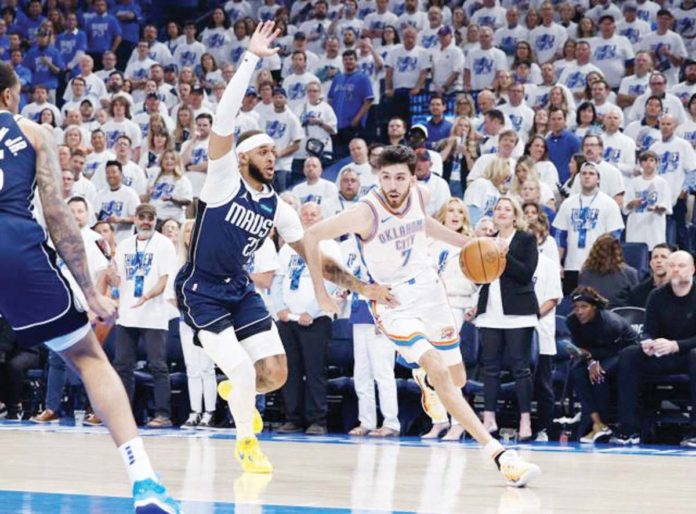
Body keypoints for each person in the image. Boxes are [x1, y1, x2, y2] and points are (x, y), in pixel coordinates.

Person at [173, 22, 386, 475]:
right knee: (246, 372)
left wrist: (358, 286)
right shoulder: (222, 179)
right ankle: (246, 443)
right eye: (264, 151)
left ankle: (237, 392)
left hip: (241, 290)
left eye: (275, 152)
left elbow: (313, 254)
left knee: (275, 373)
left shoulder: (277, 207)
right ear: (244, 156)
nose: (273, 157)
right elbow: (226, 116)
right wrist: (251, 58)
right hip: (202, 290)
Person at [303, 145, 541, 487]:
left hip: (430, 290)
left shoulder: (421, 194)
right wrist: (350, 289)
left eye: (400, 177)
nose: (393, 185)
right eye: (386, 177)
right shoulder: (365, 212)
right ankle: (500, 455)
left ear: (413, 177)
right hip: (393, 301)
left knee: (455, 379)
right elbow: (311, 236)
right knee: (441, 370)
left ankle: (428, 383)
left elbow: (423, 224)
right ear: (378, 178)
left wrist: (468, 243)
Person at [0, 62, 180, 512]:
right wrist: (92, 291)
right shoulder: (32, 132)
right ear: (8, 97)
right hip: (13, 248)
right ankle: (145, 482)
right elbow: (58, 213)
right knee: (87, 356)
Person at [612, 251, 696, 448]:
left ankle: (694, 430)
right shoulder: (656, 295)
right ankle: (628, 429)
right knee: (629, 354)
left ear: (692, 269)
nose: (675, 269)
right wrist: (648, 342)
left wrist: (677, 345)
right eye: (672, 265)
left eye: (681, 265)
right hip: (663, 354)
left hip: (688, 354)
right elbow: (649, 330)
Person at [271, 203, 341, 435]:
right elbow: (278, 280)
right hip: (287, 319)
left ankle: (317, 420)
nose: (309, 218)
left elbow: (332, 282)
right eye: (306, 215)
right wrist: (279, 307)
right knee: (290, 371)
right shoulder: (289, 248)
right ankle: (293, 418)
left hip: (316, 320)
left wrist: (312, 311)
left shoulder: (330, 246)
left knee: (314, 371)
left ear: (323, 218)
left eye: (314, 215)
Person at [474, 196, 539, 442]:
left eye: (507, 209)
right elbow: (478, 277)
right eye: (498, 208)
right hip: (490, 312)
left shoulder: (526, 239)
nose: (501, 212)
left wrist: (504, 255)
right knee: (489, 367)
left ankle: (525, 420)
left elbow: (525, 274)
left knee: (520, 367)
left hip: (518, 314)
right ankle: (488, 418)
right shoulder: (485, 241)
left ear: (515, 215)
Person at [114, 204, 176, 428]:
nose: (146, 221)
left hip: (155, 314)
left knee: (158, 365)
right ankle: (122, 414)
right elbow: (117, 278)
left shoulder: (164, 244)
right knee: (122, 366)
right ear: (135, 219)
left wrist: (147, 296)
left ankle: (163, 414)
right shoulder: (123, 246)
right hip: (127, 314)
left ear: (155, 220)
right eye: (142, 217)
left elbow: (164, 279)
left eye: (150, 218)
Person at [567, 286, 639, 444]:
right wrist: (590, 360)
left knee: (599, 374)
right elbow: (582, 347)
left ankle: (605, 422)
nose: (579, 311)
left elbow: (612, 350)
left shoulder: (609, 323)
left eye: (584, 307)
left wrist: (592, 360)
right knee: (577, 372)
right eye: (576, 307)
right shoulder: (572, 321)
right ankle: (597, 423)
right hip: (596, 353)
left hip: (624, 353)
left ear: (594, 307)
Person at [552, 163, 625, 295]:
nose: (587, 176)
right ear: (579, 178)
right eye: (584, 173)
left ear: (598, 179)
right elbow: (560, 235)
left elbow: (614, 237)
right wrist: (558, 263)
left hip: (598, 266)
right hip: (572, 265)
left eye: (591, 174)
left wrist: (607, 262)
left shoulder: (609, 203)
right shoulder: (568, 204)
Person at [529, 219, 563, 441]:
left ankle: (543, 428)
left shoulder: (548, 264)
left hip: (541, 331)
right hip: (516, 331)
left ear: (541, 238)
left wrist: (532, 316)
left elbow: (553, 298)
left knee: (543, 384)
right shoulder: (512, 263)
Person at [623, 150, 672, 250]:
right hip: (636, 227)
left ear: (657, 163)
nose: (648, 163)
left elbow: (667, 206)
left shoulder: (662, 183)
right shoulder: (634, 182)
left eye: (651, 160)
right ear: (640, 164)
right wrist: (632, 203)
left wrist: (658, 207)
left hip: (654, 227)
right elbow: (625, 206)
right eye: (645, 161)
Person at [578, 235, 640, 308]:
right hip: (597, 317)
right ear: (617, 252)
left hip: (620, 317)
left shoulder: (584, 272)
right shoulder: (585, 273)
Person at [627, 243, 675, 308]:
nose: (659, 261)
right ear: (651, 263)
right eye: (655, 257)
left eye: (664, 257)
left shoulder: (680, 290)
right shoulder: (638, 292)